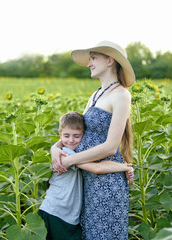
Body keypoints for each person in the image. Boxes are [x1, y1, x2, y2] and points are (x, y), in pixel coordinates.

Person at [51, 41, 136, 240]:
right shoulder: (95, 95)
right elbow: (75, 132)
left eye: (93, 58)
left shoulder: (121, 95)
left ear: (110, 60)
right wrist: (55, 148)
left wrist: (70, 160)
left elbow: (110, 146)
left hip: (107, 182)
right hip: (89, 179)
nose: (89, 63)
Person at [39, 111, 134, 240]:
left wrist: (55, 147)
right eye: (66, 136)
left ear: (84, 135)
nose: (71, 140)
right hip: (57, 212)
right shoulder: (66, 153)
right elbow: (97, 168)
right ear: (60, 134)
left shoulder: (74, 152)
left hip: (65, 214)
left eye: (76, 136)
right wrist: (124, 167)